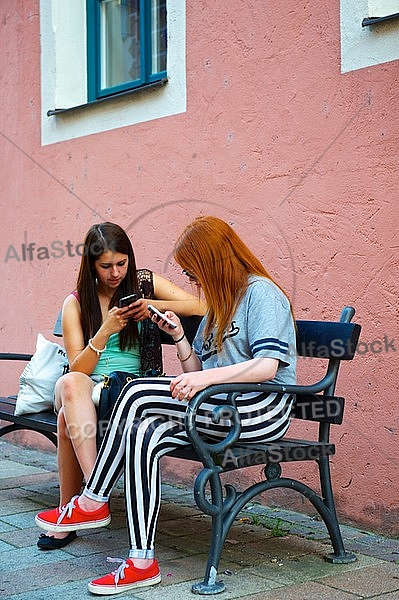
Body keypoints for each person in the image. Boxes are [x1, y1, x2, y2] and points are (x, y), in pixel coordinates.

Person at [35, 215, 297, 594]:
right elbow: (201, 369)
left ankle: (94, 497)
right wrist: (179, 339)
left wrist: (200, 379)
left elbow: (267, 365)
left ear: (213, 261)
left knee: (137, 392)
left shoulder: (261, 293)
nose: (194, 283)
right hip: (219, 409)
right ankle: (141, 560)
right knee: (144, 431)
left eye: (195, 272)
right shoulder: (221, 306)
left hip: (261, 411)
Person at [37, 221, 206, 551]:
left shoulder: (143, 284)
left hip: (133, 390)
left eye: (121, 263)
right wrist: (106, 329)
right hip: (85, 388)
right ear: (91, 266)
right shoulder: (76, 303)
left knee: (64, 421)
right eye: (105, 266)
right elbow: (78, 367)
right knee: (72, 383)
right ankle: (95, 495)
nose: (115, 273)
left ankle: (83, 507)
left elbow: (200, 306)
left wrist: (154, 307)